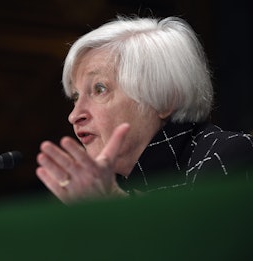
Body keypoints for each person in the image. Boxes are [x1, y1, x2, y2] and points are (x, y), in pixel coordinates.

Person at [36, 15, 253, 204]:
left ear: (165, 99)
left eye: (99, 89)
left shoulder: (229, 157)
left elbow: (200, 248)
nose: (74, 115)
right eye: (75, 96)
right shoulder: (105, 183)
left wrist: (110, 204)